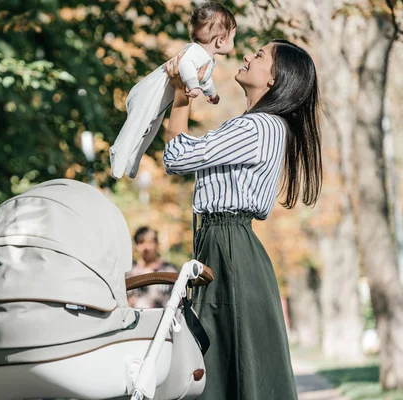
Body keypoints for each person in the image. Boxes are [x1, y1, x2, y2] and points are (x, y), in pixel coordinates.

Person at [162, 39, 322, 399]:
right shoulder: (258, 126)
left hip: (228, 247)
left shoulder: (259, 127)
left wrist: (181, 96)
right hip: (227, 245)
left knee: (217, 362)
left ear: (274, 78)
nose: (248, 55)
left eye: (260, 55)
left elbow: (177, 157)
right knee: (223, 362)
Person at [110, 2, 237, 180]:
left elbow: (205, 80)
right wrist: (193, 85)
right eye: (233, 38)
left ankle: (132, 160)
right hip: (149, 92)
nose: (232, 43)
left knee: (149, 130)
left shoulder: (207, 59)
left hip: (161, 99)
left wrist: (212, 94)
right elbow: (185, 66)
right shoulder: (195, 51)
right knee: (137, 125)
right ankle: (118, 151)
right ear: (221, 40)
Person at [126, 226, 177, 309]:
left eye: (150, 242)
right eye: (141, 242)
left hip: (165, 319)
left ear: (156, 244)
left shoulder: (169, 270)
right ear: (136, 245)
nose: (146, 247)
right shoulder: (129, 272)